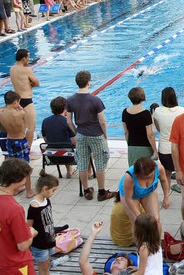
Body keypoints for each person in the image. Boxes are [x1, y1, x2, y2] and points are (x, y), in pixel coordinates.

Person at [66, 70, 115, 202]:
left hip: (81, 134)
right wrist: (105, 134)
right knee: (99, 162)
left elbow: (69, 121)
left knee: (82, 162)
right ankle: (101, 192)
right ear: (89, 82)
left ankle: (86, 191)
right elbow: (102, 121)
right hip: (96, 135)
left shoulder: (70, 100)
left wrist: (76, 132)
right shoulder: (95, 100)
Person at [0, 158, 38, 275]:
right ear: (19, 179)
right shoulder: (14, 209)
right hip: (16, 265)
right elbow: (23, 245)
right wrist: (31, 232)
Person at [118, 157, 170, 236]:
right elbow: (128, 199)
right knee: (138, 223)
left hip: (148, 192)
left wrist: (166, 196)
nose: (147, 178)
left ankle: (157, 245)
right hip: (131, 196)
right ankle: (141, 246)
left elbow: (164, 180)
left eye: (149, 176)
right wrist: (139, 215)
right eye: (143, 177)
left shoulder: (159, 168)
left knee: (155, 220)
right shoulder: (129, 177)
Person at [0, 90, 36, 198]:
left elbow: (2, 128)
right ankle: (29, 191)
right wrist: (20, 108)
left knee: (12, 166)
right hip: (20, 141)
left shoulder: (0, 112)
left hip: (9, 140)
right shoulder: (21, 113)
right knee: (25, 167)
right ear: (15, 102)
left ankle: (14, 189)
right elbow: (28, 127)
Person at [27, 171, 59, 275]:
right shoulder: (34, 206)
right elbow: (29, 225)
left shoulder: (46, 200)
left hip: (49, 239)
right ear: (45, 189)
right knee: (43, 269)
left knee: (47, 265)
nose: (54, 193)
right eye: (53, 190)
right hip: (39, 243)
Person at [10, 48, 39, 150]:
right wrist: (30, 84)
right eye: (28, 57)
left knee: (21, 128)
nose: (28, 59)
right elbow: (37, 83)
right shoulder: (27, 69)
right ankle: (28, 150)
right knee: (31, 127)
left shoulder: (12, 69)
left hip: (17, 101)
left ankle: (19, 148)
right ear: (23, 58)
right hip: (27, 100)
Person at [41, 96, 76, 178]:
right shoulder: (67, 122)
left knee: (61, 143)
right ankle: (89, 172)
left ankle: (69, 170)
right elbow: (74, 142)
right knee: (84, 147)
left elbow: (46, 140)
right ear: (65, 109)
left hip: (52, 157)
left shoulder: (45, 121)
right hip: (69, 157)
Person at [152, 87, 184, 173]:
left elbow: (158, 128)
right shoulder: (181, 110)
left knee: (166, 174)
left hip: (164, 149)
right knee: (181, 174)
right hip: (179, 148)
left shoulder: (157, 111)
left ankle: (166, 187)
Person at [122, 87, 157, 166]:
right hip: (145, 148)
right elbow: (150, 134)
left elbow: (126, 132)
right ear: (142, 97)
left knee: (134, 172)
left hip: (132, 147)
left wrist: (130, 145)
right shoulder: (146, 114)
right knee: (146, 173)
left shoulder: (125, 112)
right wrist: (155, 150)